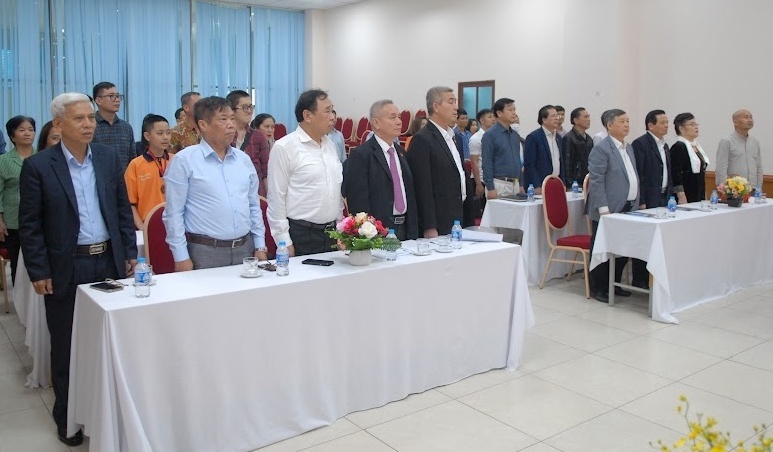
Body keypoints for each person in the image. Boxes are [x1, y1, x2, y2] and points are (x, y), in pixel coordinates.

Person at [19, 92, 137, 446]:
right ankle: (68, 419)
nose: (88, 125)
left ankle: (109, 411)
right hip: (66, 266)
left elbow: (121, 209)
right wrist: (39, 271)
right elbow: (30, 225)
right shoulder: (39, 166)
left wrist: (129, 253)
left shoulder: (107, 157)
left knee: (110, 341)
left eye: (90, 118)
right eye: (79, 118)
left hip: (109, 262)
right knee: (67, 345)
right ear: (58, 124)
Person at [163, 96, 267, 270]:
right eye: (223, 119)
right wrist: (180, 256)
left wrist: (260, 245)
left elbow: (253, 206)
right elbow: (174, 213)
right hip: (205, 251)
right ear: (203, 125)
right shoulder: (184, 161)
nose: (231, 125)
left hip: (245, 248)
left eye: (232, 118)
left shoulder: (243, 160)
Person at [267, 89, 343, 256]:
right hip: (302, 234)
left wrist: (340, 227)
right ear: (308, 115)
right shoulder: (284, 147)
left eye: (333, 111)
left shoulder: (330, 145)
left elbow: (335, 189)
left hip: (332, 233)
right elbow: (276, 199)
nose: (333, 117)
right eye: (327, 111)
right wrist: (284, 241)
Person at [344, 100, 418, 240]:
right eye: (392, 117)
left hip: (405, 227)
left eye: (399, 117)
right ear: (376, 123)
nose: (399, 122)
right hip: (378, 230)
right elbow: (358, 200)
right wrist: (367, 231)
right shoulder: (362, 155)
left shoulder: (401, 152)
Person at [586, 109, 638, 303]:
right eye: (622, 121)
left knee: (622, 248)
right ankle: (598, 287)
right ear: (609, 125)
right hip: (607, 209)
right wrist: (603, 208)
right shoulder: (602, 149)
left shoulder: (628, 148)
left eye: (628, 121)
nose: (626, 125)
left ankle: (614, 283)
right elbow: (596, 181)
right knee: (603, 249)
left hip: (628, 207)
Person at [406, 86, 465, 237]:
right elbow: (422, 187)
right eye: (451, 102)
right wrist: (429, 225)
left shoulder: (454, 137)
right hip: (439, 219)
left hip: (459, 213)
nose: (456, 107)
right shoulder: (422, 139)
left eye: (455, 102)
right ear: (436, 107)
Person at [630, 109, 672, 289]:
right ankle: (640, 279)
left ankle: (654, 278)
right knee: (645, 241)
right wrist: (642, 200)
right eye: (662, 122)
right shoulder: (641, 144)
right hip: (648, 198)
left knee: (659, 241)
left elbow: (668, 172)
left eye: (667, 122)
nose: (666, 125)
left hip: (663, 197)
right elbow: (638, 174)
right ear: (650, 125)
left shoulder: (665, 145)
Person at [0, 116, 37, 284]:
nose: (27, 133)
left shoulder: (42, 157)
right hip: (13, 221)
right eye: (22, 130)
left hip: (39, 218)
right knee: (17, 263)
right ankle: (19, 296)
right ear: (12, 136)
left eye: (30, 129)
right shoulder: (3, 161)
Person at [124, 114, 174, 229]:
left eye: (168, 133)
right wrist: (142, 227)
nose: (165, 137)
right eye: (160, 133)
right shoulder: (136, 165)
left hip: (175, 224)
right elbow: (130, 203)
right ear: (147, 136)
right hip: (147, 225)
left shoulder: (176, 160)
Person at [227, 90, 270, 197]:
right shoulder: (224, 135)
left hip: (256, 194)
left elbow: (265, 171)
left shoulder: (258, 136)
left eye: (251, 107)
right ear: (231, 110)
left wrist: (269, 198)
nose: (249, 111)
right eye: (245, 107)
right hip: (231, 192)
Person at [482, 98, 523, 199]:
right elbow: (487, 162)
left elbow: (518, 161)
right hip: (499, 184)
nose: (514, 113)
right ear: (499, 113)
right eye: (510, 110)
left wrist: (521, 184)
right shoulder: (490, 135)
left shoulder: (515, 135)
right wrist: (490, 187)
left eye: (514, 110)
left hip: (515, 183)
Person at [92, 81, 135, 171]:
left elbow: (133, 159)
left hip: (124, 177)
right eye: (111, 96)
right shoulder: (91, 126)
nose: (117, 100)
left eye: (118, 96)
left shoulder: (126, 127)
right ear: (98, 100)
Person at [715, 110, 764, 189]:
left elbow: (759, 167)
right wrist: (724, 188)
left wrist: (759, 187)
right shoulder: (727, 141)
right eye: (746, 117)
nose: (750, 120)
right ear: (735, 122)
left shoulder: (755, 142)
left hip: (753, 188)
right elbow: (721, 167)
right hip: (734, 190)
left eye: (751, 117)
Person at [523, 105, 563, 193]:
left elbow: (561, 162)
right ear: (544, 120)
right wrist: (536, 185)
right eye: (553, 116)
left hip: (556, 182)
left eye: (557, 115)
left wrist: (563, 183)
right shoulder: (533, 137)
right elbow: (530, 164)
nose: (557, 118)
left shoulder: (558, 138)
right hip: (540, 184)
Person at [671, 113, 709, 203]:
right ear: (681, 128)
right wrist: (681, 195)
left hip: (698, 191)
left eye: (696, 124)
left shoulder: (696, 146)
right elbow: (676, 174)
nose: (696, 127)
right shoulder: (678, 147)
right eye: (692, 124)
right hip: (686, 193)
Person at [561, 107, 593, 187]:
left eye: (588, 117)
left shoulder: (589, 139)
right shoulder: (569, 138)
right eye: (585, 117)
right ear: (576, 120)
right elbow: (566, 163)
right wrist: (569, 183)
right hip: (575, 182)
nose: (589, 120)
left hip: (587, 179)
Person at [469, 108, 496, 199]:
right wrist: (478, 184)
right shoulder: (476, 138)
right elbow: (474, 162)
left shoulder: (494, 136)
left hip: (493, 179)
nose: (493, 119)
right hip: (481, 179)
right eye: (490, 117)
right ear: (482, 120)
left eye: (494, 117)